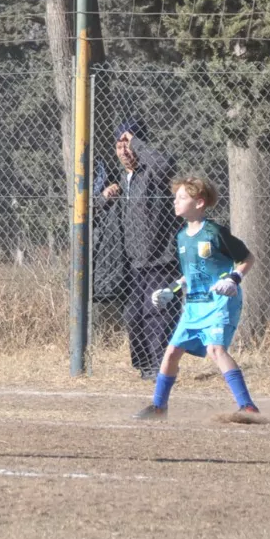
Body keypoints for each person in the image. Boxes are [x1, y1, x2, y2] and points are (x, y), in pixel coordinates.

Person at [133, 177, 258, 420]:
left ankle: (248, 406)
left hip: (220, 302)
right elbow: (189, 275)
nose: (175, 201)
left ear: (199, 202)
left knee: (215, 349)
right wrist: (172, 290)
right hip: (194, 306)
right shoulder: (181, 237)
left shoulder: (215, 232)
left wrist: (233, 279)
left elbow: (247, 258)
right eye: (175, 197)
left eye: (182, 197)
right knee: (171, 353)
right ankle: (159, 407)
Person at [100, 121, 181, 380]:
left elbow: (166, 166)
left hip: (161, 260)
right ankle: (146, 367)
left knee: (157, 316)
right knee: (133, 315)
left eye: (129, 144)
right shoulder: (124, 180)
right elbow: (95, 209)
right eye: (119, 145)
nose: (124, 150)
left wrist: (136, 141)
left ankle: (161, 370)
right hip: (134, 264)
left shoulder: (153, 174)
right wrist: (104, 198)